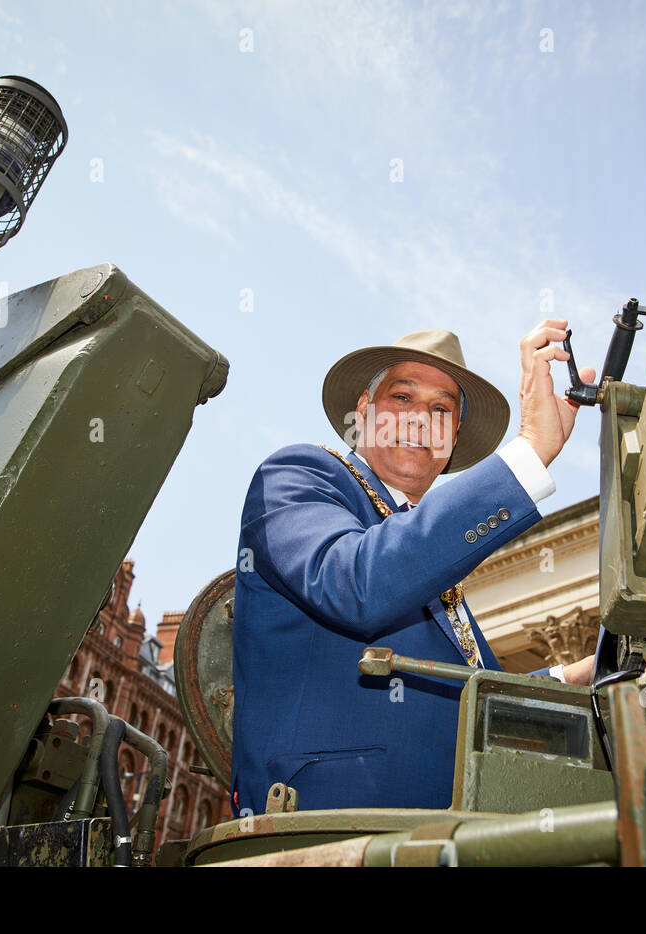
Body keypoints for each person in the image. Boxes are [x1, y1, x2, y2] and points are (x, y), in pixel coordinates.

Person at [231, 320, 596, 815]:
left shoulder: (431, 563)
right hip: (331, 825)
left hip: (447, 834)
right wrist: (532, 451)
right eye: (403, 397)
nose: (421, 418)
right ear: (364, 409)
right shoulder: (300, 475)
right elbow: (355, 586)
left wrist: (576, 677)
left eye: (442, 409)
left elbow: (481, 708)